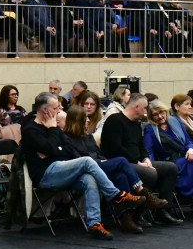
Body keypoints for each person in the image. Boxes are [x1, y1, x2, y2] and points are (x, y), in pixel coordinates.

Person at [20, 92, 146, 239]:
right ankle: (116, 195)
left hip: (62, 169)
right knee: (87, 161)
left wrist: (54, 149)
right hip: (45, 174)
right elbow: (52, 148)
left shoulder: (54, 128)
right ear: (45, 110)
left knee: (89, 179)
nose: (58, 111)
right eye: (55, 108)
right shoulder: (31, 129)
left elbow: (67, 148)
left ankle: (94, 224)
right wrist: (53, 133)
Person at [100, 93, 183, 225]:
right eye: (144, 108)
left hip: (138, 162)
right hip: (121, 162)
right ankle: (139, 214)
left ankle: (163, 211)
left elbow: (141, 146)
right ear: (137, 107)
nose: (146, 112)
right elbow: (115, 148)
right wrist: (138, 162)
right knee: (149, 173)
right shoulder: (114, 120)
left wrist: (146, 159)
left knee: (170, 168)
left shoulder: (136, 124)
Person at [143, 100, 193, 218]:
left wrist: (190, 149)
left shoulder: (175, 121)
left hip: (185, 155)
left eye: (161, 112)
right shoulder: (150, 129)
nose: (160, 116)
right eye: (155, 115)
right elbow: (149, 150)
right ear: (151, 117)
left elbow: (188, 141)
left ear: (166, 111)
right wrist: (150, 165)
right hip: (169, 161)